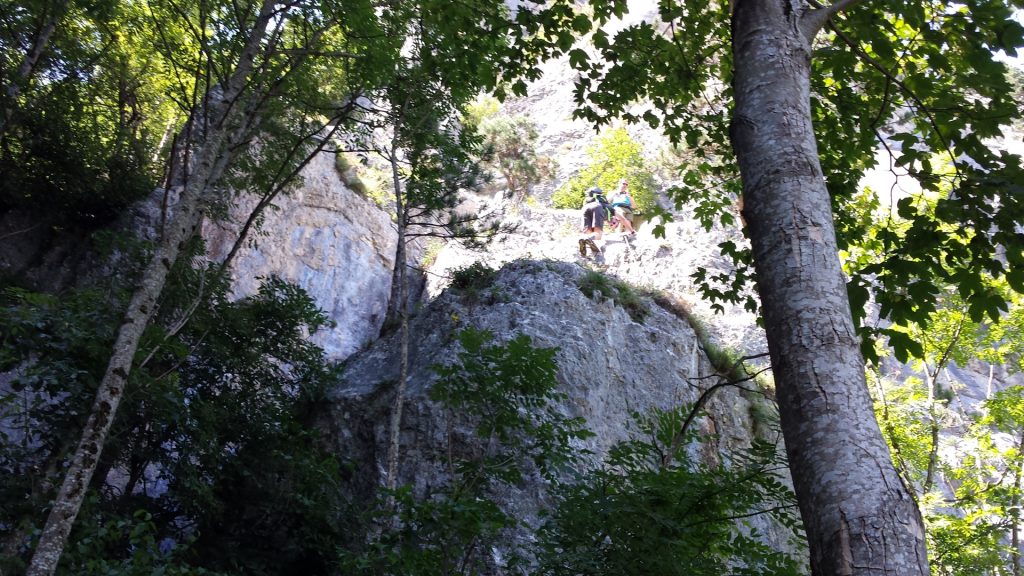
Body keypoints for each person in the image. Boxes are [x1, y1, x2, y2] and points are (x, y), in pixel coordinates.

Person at [579, 187, 607, 256]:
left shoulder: (586, 200)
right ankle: (588, 239)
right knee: (598, 233)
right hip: (597, 207)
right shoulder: (601, 200)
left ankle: (585, 239)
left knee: (588, 232)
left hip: (585, 209)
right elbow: (610, 211)